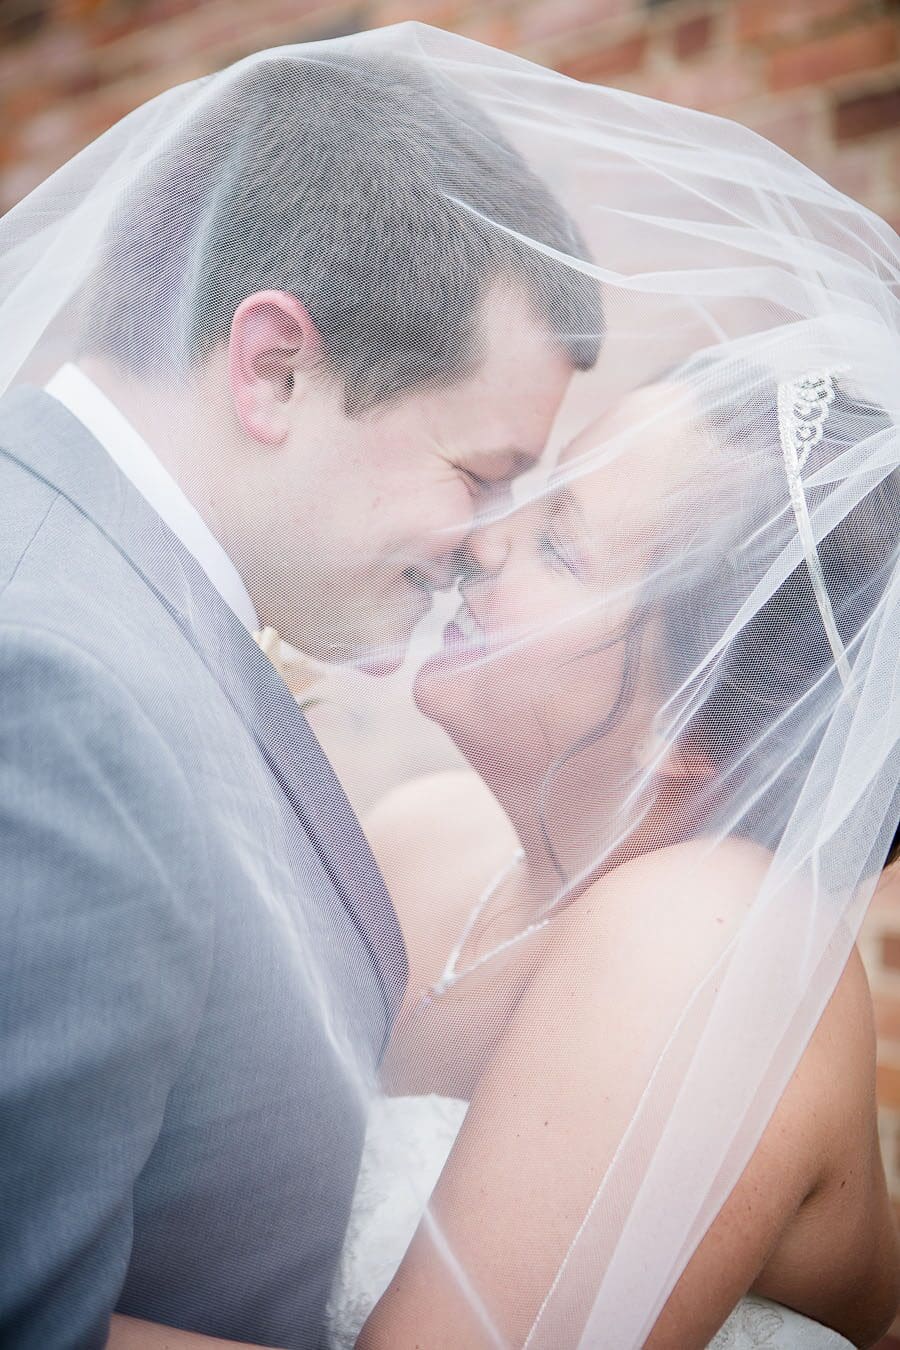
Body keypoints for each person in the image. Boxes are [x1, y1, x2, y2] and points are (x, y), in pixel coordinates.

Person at [0, 40, 599, 1350]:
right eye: (480, 471)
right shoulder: (54, 689)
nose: (480, 542)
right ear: (274, 367)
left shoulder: (112, 605)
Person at [343, 369, 900, 1348]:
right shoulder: (418, 835)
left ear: (692, 730)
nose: (479, 540)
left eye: (559, 545)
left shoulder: (722, 943)